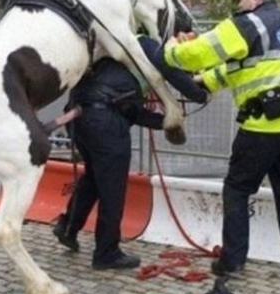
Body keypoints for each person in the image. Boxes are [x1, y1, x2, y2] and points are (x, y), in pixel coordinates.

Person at [163, 0, 280, 281]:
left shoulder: (249, 22)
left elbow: (199, 53)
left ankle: (232, 260)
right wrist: (205, 81)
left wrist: (171, 50)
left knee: (237, 189)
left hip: (266, 125)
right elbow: (246, 68)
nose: (239, 4)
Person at [53, 31, 209, 270]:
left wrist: (165, 120)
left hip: (81, 116)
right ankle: (106, 253)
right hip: (105, 121)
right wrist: (200, 94)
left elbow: (129, 109)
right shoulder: (148, 45)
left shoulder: (120, 50)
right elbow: (176, 77)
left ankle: (68, 227)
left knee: (94, 178)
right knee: (112, 189)